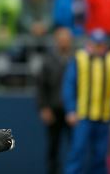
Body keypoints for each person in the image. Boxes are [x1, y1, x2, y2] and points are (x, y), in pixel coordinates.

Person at [62, 29, 110, 174]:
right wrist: (71, 109)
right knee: (77, 153)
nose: (98, 48)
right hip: (83, 115)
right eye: (95, 45)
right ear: (89, 44)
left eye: (101, 45)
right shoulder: (79, 59)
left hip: (104, 116)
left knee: (101, 156)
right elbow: (69, 85)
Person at [37, 27, 73, 174]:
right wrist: (44, 108)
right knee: (53, 148)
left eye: (66, 39)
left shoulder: (76, 59)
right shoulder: (48, 60)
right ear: (56, 41)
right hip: (54, 109)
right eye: (61, 39)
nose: (63, 42)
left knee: (75, 147)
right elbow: (41, 86)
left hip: (72, 111)